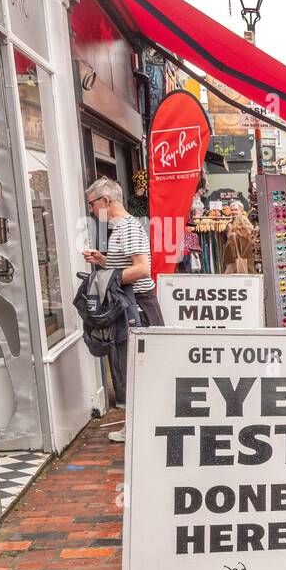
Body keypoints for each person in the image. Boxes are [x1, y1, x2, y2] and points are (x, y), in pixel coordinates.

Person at [83, 176, 163, 442]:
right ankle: (138, 424)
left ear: (106, 201)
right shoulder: (121, 228)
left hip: (136, 306)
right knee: (131, 366)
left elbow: (141, 269)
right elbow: (129, 264)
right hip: (132, 304)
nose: (92, 210)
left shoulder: (127, 228)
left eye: (92, 205)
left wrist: (107, 278)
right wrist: (104, 261)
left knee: (136, 366)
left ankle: (140, 427)